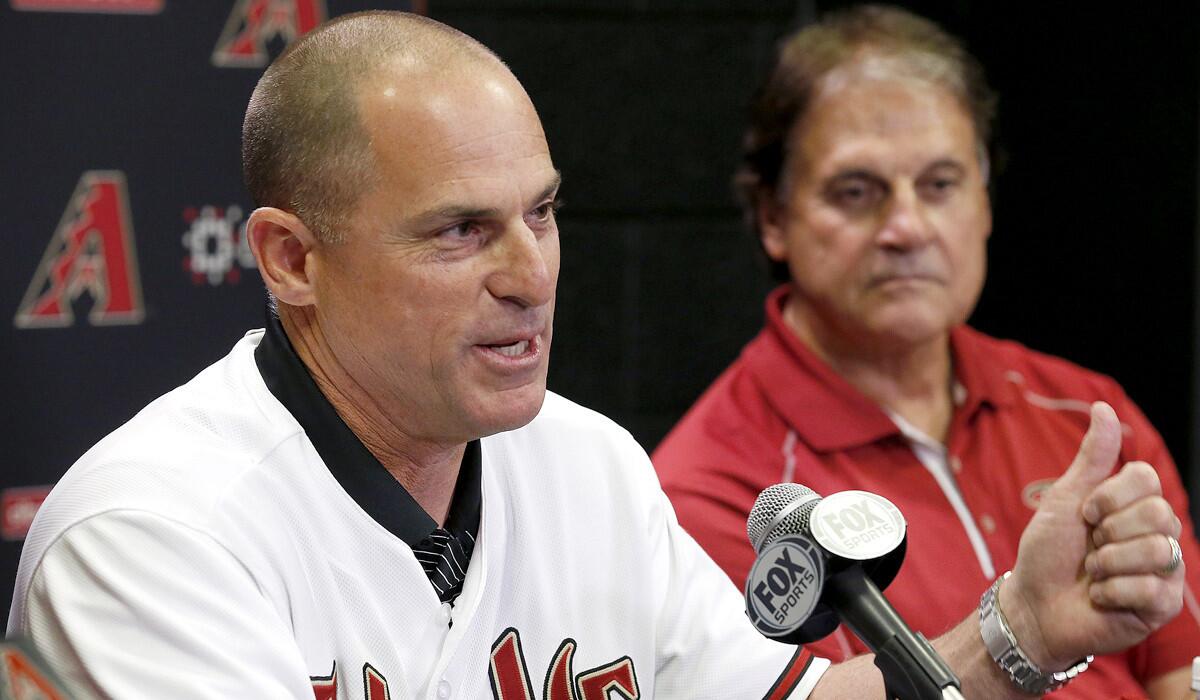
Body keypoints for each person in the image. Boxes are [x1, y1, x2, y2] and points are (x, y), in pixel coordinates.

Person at [5, 9, 1185, 700]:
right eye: (461, 231)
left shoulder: (588, 465)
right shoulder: (152, 535)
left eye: (545, 212)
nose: (530, 273)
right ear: (291, 259)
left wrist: (1019, 624)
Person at [653, 5, 1200, 699]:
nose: (907, 228)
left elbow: (1182, 672)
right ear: (773, 217)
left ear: (985, 202)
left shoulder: (1086, 413)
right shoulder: (716, 494)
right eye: (858, 192)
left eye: (939, 185)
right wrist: (1021, 629)